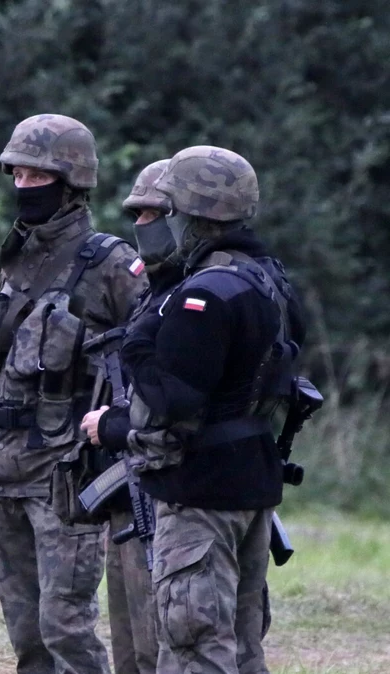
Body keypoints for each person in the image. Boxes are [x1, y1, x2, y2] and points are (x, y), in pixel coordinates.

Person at [106, 146, 305, 673]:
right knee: (242, 650)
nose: (153, 224)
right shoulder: (268, 279)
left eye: (162, 211)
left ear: (190, 214)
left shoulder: (203, 296)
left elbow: (174, 402)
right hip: (251, 481)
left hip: (201, 494)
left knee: (195, 647)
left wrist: (138, 342)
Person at [0, 113, 148, 674]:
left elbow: (153, 354)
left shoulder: (112, 263)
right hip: (2, 468)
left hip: (65, 476)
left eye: (36, 176)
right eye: (17, 176)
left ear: (72, 182)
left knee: (64, 626)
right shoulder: (17, 258)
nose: (23, 187)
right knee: (25, 629)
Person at [79, 159, 174, 674]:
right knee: (130, 649)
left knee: (164, 641)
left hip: (172, 490)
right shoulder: (154, 296)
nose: (142, 225)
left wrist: (117, 424)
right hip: (129, 486)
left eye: (154, 213)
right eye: (136, 214)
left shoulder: (201, 292)